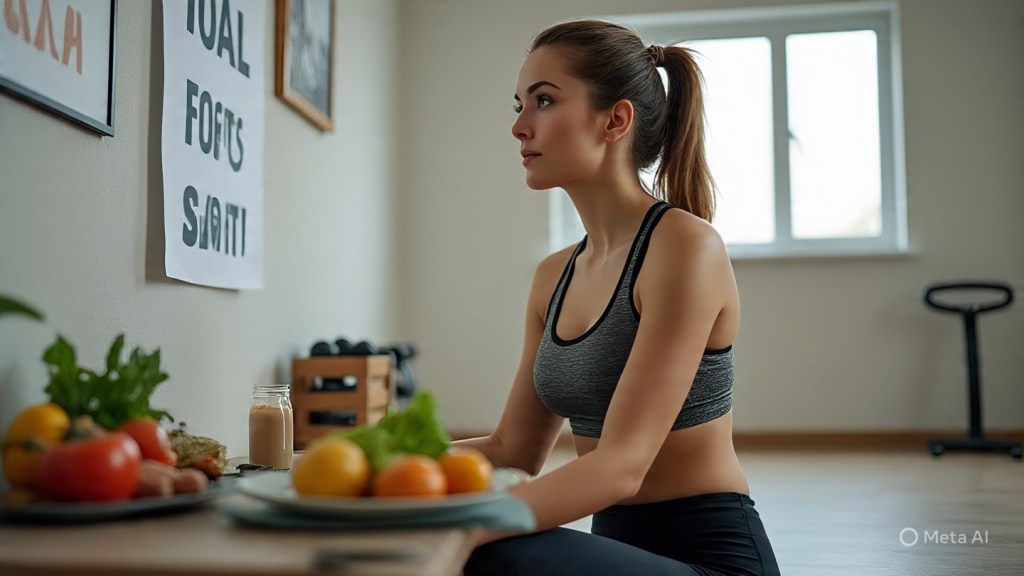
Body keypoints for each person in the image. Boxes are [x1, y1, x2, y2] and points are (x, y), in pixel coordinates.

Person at [456, 19, 781, 576]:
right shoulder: (553, 275)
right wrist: (364, 464)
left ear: (616, 119)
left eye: (543, 101)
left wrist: (452, 525)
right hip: (622, 550)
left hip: (710, 558)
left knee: (483, 550)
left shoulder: (685, 247)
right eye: (519, 105)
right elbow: (513, 449)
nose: (519, 127)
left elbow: (622, 467)